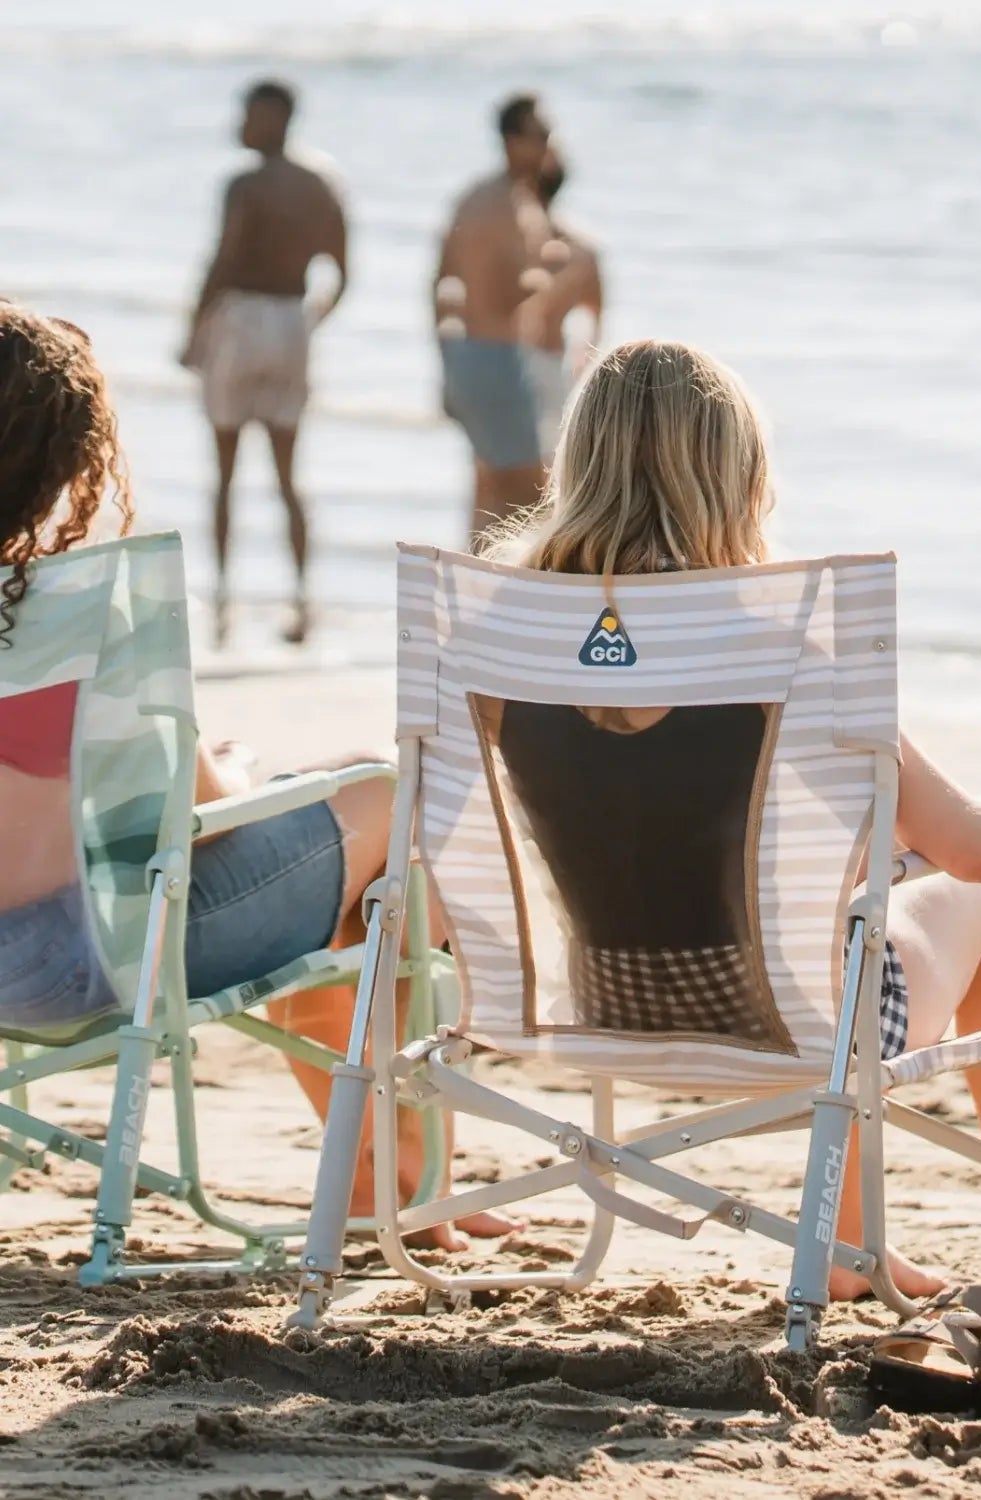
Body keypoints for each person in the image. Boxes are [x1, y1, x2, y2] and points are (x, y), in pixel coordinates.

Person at [484, 339, 981, 1305]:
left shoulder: (503, 634)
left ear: (575, 464)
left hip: (597, 1009)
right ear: (740, 477)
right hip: (802, 1030)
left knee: (848, 912)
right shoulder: (783, 642)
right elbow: (972, 847)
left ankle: (849, 1242)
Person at [0, 304, 510, 1247]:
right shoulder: (86, 607)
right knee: (392, 799)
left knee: (352, 843)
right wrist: (232, 768)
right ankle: (401, 1177)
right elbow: (208, 817)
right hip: (101, 963)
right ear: (64, 460)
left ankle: (392, 1173)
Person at [181, 78, 348, 649]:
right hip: (291, 319)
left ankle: (222, 606)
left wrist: (192, 331)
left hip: (242, 318)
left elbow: (223, 260)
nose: (242, 124)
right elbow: (342, 273)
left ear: (275, 118)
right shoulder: (322, 183)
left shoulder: (245, 184)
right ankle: (301, 602)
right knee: (288, 475)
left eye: (250, 114)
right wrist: (310, 322)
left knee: (225, 472)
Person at [435, 92, 554, 542]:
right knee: (533, 498)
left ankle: (474, 579)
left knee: (488, 490)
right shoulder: (508, 205)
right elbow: (507, 293)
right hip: (499, 356)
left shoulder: (474, 198)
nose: (547, 144)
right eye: (540, 134)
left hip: (468, 352)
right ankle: (510, 584)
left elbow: (439, 279)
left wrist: (445, 357)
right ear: (512, 140)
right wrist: (550, 274)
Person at [517, 148, 604, 468]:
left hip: (510, 359)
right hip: (553, 361)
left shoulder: (517, 242)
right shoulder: (584, 250)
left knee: (495, 467)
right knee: (550, 466)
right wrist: (584, 366)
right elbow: (596, 317)